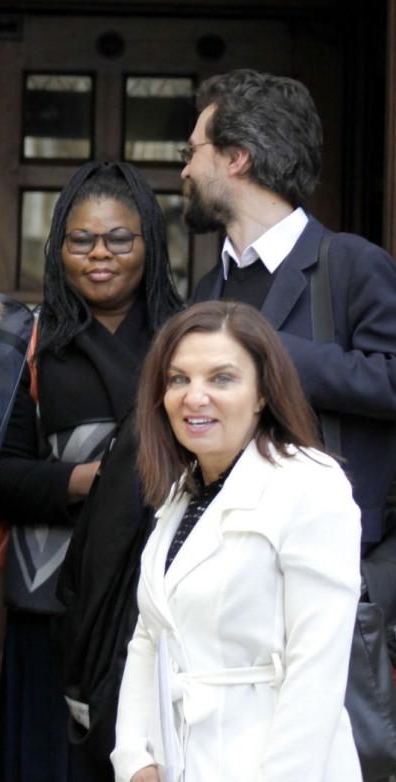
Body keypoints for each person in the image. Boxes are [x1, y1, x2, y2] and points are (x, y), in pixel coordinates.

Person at [0, 161, 183, 781]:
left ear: (149, 243)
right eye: (81, 240)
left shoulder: (189, 338)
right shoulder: (29, 342)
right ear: (58, 249)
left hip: (162, 602)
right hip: (51, 608)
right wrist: (84, 483)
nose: (101, 254)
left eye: (120, 239)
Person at [113, 300, 361, 781]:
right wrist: (135, 756)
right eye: (178, 379)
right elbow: (150, 636)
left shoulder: (309, 484)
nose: (194, 397)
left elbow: (317, 668)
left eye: (221, 379)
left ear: (263, 393)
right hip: (182, 760)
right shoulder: (182, 495)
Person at [183, 69, 396, 550]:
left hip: (322, 556)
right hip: (219, 552)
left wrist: (269, 354)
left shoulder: (351, 264)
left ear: (237, 159)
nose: (185, 170)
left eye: (192, 152)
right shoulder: (206, 289)